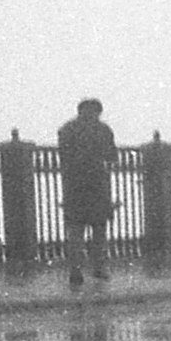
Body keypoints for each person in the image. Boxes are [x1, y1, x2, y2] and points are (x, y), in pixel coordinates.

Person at [56, 97, 117, 287]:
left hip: (74, 186)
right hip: (98, 185)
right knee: (99, 230)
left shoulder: (67, 129)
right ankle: (98, 268)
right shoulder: (103, 130)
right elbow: (112, 156)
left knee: (75, 230)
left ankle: (75, 271)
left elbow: (63, 156)